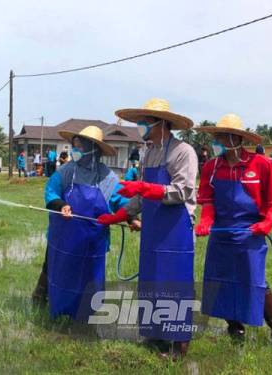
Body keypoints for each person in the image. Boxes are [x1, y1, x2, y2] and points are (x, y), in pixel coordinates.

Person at [97, 98, 198, 359]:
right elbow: (142, 196)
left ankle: (178, 342)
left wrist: (144, 188)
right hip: (153, 228)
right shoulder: (148, 152)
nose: (140, 126)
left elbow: (182, 191)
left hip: (175, 229)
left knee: (173, 283)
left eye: (144, 121)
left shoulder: (183, 152)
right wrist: (120, 214)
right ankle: (155, 333)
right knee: (152, 282)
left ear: (159, 123)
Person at [194, 114, 272, 351]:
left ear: (235, 138)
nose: (216, 141)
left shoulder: (261, 164)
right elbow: (208, 200)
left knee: (255, 280)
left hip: (250, 233)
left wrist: (266, 224)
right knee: (221, 279)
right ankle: (234, 326)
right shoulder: (211, 167)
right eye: (215, 137)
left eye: (221, 137)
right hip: (221, 234)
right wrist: (206, 220)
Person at [31, 126, 128, 321]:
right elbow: (51, 191)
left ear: (93, 149)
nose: (75, 150)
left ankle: (83, 311)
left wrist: (131, 216)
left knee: (87, 273)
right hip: (64, 236)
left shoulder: (107, 177)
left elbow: (120, 200)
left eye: (79, 146)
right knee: (52, 265)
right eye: (74, 146)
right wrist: (61, 205)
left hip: (92, 240)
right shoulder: (66, 171)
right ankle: (41, 297)